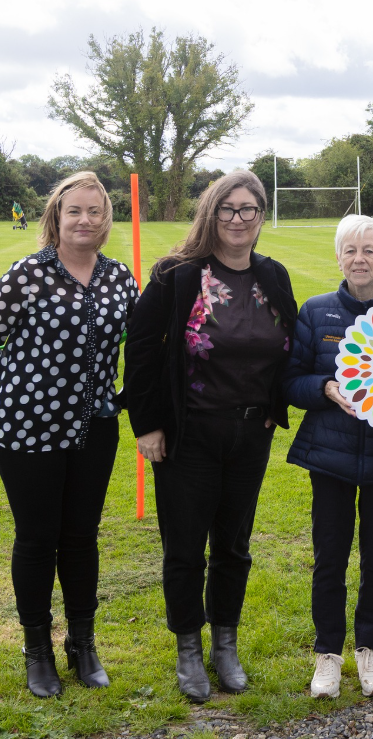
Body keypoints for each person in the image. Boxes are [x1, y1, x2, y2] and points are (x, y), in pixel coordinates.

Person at [122, 170, 297, 703]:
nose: (238, 220)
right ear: (211, 213)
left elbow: (289, 347)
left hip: (250, 434)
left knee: (234, 547)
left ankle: (226, 644)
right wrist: (148, 425)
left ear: (261, 217)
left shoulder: (273, 276)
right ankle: (188, 650)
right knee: (185, 547)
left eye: (249, 210)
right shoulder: (178, 276)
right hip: (187, 435)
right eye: (228, 209)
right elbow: (142, 353)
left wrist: (275, 407)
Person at [0, 171, 138, 697]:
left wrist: (124, 396)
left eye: (94, 211)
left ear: (106, 219)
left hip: (94, 428)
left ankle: (82, 644)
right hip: (27, 432)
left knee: (81, 538)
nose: (84, 220)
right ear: (56, 218)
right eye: (74, 212)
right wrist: (7, 398)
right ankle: (37, 648)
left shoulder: (119, 278)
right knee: (38, 539)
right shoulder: (27, 275)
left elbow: (143, 344)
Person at [283, 215, 373, 699]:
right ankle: (328, 653)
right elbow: (291, 381)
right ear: (338, 257)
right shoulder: (316, 311)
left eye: (369, 250)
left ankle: (370, 649)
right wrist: (324, 387)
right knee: (330, 555)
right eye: (350, 250)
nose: (359, 259)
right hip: (330, 455)